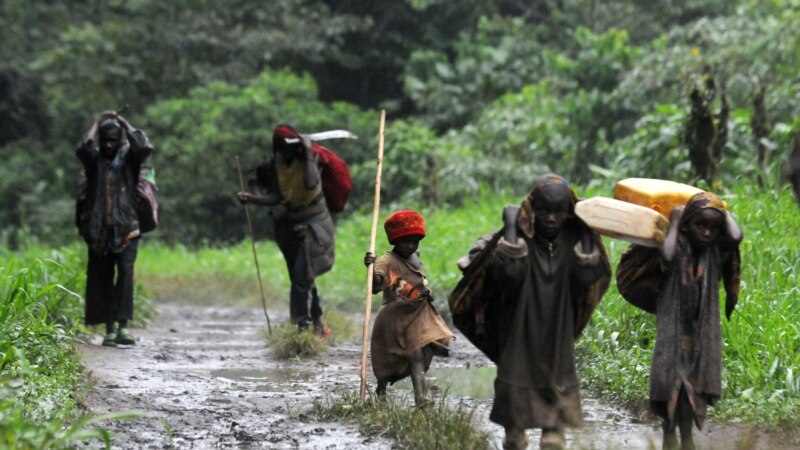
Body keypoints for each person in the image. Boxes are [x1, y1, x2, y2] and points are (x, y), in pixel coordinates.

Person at [483, 175, 611, 450]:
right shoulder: (519, 235)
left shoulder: (575, 236)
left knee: (558, 369)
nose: (551, 218)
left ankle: (554, 428)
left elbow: (588, 277)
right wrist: (511, 230)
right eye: (544, 211)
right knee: (516, 366)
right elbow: (508, 276)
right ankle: (514, 429)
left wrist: (589, 229)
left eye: (559, 212)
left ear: (569, 213)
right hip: (519, 319)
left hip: (558, 320)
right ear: (532, 210)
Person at [618, 192, 742, 450]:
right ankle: (668, 432)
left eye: (713, 228)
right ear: (686, 224)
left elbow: (735, 236)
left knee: (694, 385)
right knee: (668, 380)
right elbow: (666, 254)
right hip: (673, 328)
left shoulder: (714, 250)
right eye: (701, 225)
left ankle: (686, 436)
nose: (707, 233)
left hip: (702, 332)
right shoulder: (677, 245)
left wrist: (722, 210)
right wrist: (674, 221)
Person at [237, 124, 334, 336]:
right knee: (301, 275)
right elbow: (277, 197)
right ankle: (316, 321)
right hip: (289, 222)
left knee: (302, 275)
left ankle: (300, 329)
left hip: (315, 222)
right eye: (280, 148)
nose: (285, 152)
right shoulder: (277, 164)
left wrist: (308, 151)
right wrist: (253, 199)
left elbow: (310, 184)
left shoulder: (308, 160)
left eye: (288, 147)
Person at [75, 111, 154, 347]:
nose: (109, 144)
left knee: (126, 276)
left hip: (128, 229)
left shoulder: (130, 159)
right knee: (103, 278)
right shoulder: (94, 161)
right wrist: (97, 121)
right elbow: (82, 147)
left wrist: (124, 123)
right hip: (99, 231)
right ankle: (109, 329)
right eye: (104, 140)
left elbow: (144, 146)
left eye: (113, 139)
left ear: (120, 139)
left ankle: (123, 327)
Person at [363, 210, 453, 407]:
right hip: (394, 319)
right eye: (406, 241)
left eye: (415, 241)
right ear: (395, 240)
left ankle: (420, 399)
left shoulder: (416, 257)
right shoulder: (387, 261)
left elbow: (422, 282)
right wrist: (370, 269)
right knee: (388, 360)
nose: (411, 245)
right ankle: (381, 390)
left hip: (416, 316)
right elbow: (377, 284)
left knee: (417, 354)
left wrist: (427, 293)